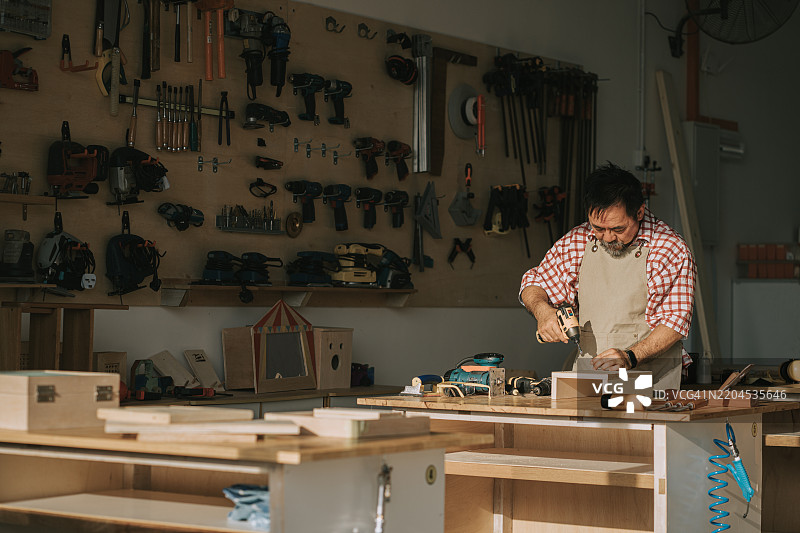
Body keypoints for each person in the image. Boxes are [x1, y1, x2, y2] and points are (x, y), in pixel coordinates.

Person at [520, 163, 696, 391]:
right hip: (590, 376)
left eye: (618, 229)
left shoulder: (669, 249)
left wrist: (631, 356)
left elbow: (675, 322)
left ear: (639, 212)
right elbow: (534, 283)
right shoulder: (578, 240)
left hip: (650, 378)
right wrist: (543, 312)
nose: (607, 238)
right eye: (598, 228)